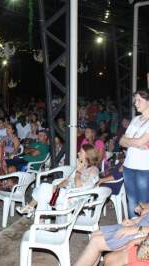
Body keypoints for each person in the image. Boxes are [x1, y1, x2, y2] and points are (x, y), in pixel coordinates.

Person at [17, 144, 100, 217]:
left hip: (75, 199)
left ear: (88, 155)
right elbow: (67, 181)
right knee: (43, 190)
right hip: (67, 193)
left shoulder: (93, 170)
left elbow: (79, 187)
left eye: (81, 152)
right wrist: (56, 187)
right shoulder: (81, 167)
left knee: (43, 188)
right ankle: (39, 218)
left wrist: (78, 171)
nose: (78, 153)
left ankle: (33, 210)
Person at [74, 203, 149, 266]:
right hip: (140, 224)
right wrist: (136, 220)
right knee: (95, 234)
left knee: (96, 242)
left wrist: (136, 229)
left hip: (142, 233)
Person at [120, 89, 149, 217]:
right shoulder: (135, 119)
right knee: (131, 201)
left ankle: (142, 232)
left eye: (139, 100)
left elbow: (138, 141)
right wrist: (136, 142)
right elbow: (121, 141)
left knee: (143, 203)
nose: (135, 103)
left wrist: (132, 141)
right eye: (135, 100)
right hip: (128, 166)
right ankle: (131, 231)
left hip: (144, 168)